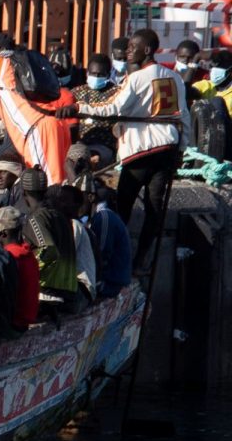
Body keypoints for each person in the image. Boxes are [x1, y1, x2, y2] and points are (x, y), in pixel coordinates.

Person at [78, 28, 187, 266]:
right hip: (168, 148)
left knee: (123, 208)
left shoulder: (137, 78)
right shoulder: (175, 78)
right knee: (154, 208)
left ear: (146, 50)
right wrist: (181, 151)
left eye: (132, 47)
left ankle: (113, 257)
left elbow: (111, 109)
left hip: (141, 151)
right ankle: (141, 259)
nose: (127, 51)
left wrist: (79, 108)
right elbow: (183, 117)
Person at [0, 207, 40, 330]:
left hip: (14, 321)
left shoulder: (9, 256)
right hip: (27, 318)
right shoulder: (28, 253)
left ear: (3, 233)